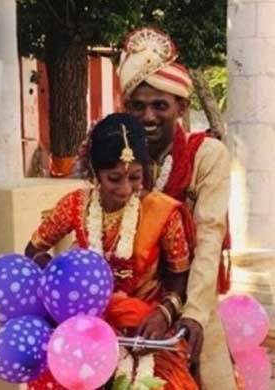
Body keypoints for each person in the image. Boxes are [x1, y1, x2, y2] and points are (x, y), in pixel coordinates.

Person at [25, 113, 198, 390]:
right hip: (83, 329)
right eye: (114, 178)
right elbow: (33, 249)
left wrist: (164, 314)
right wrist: (60, 275)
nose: (125, 189)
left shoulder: (163, 212)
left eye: (135, 177)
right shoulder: (75, 205)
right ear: (96, 173)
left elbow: (182, 278)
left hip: (143, 329)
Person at [117, 27, 236, 389]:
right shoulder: (116, 157)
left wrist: (193, 314)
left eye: (159, 105)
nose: (148, 116)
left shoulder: (206, 156)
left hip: (189, 303)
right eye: (137, 106)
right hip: (129, 307)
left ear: (181, 107)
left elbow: (210, 235)